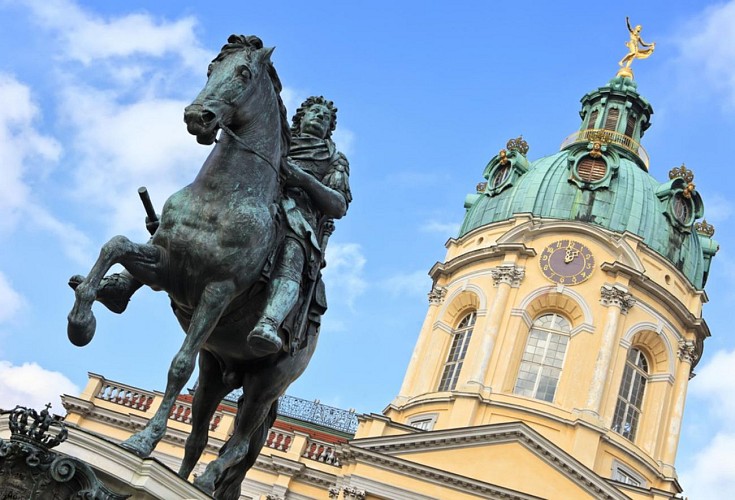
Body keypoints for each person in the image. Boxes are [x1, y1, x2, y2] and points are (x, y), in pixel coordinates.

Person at [247, 96, 351, 355]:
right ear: (300, 117)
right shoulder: (276, 139)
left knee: (293, 253)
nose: (319, 117)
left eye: (325, 118)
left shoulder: (335, 159)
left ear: (328, 129)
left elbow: (338, 205)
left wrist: (304, 180)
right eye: (314, 112)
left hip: (297, 216)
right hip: (258, 199)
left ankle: (269, 322)